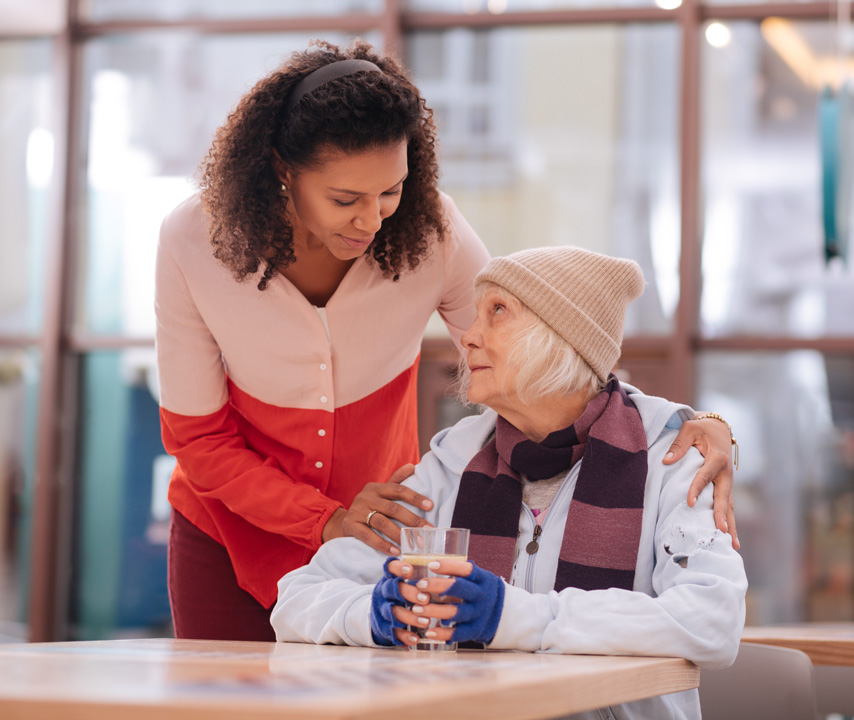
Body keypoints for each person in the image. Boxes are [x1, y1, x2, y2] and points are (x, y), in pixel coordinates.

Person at [155, 39, 739, 643]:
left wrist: (682, 425)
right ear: (282, 169)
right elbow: (197, 436)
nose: (373, 219)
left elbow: (539, 354)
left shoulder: (430, 231)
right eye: (344, 199)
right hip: (227, 529)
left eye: (391, 190)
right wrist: (323, 518)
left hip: (378, 524)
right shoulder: (193, 242)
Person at [271, 247, 748, 720]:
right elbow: (298, 597)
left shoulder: (674, 458)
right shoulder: (452, 463)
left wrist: (510, 616)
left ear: (563, 338)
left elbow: (712, 619)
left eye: (498, 311)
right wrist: (376, 613)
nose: (469, 338)